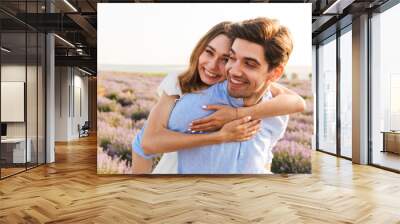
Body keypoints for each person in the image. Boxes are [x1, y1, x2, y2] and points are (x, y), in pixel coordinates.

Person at [132, 19, 304, 174]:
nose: (213, 66)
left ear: (273, 74)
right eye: (209, 52)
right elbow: (145, 143)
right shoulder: (184, 90)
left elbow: (296, 103)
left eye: (225, 58)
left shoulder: (271, 105)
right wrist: (220, 136)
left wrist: (238, 114)